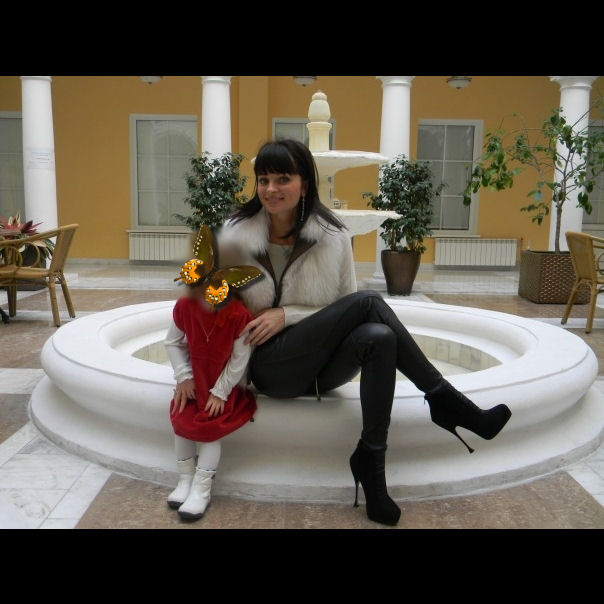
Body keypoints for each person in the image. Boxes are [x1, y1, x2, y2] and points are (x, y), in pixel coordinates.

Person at [217, 138, 512, 526]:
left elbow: (344, 309)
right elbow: (212, 309)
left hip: (322, 367)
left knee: (379, 336)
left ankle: (372, 460)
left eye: (283, 179)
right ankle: (446, 401)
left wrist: (287, 315)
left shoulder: (332, 235)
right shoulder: (235, 234)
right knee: (370, 303)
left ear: (305, 184)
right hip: (267, 366)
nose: (271, 189)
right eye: (263, 180)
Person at [164, 226, 262, 521]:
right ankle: (184, 479)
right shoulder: (185, 307)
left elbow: (240, 359)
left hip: (220, 384)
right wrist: (183, 376)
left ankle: (201, 488)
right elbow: (172, 342)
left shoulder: (238, 316)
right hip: (195, 381)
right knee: (181, 419)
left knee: (208, 430)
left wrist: (221, 392)